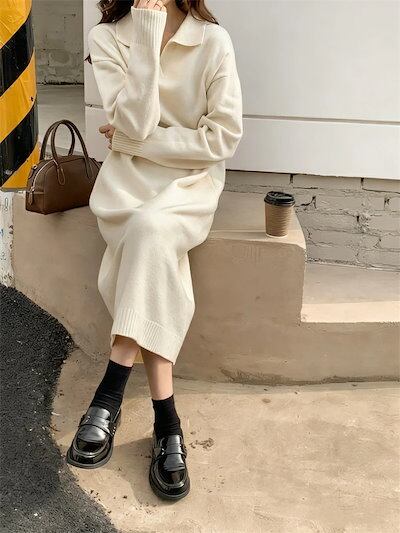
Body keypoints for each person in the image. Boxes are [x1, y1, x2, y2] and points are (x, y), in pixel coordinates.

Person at [66, 0, 243, 501]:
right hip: (126, 185)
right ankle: (167, 421)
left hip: (188, 184)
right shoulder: (108, 38)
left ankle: (111, 393)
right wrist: (145, 35)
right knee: (148, 235)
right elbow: (137, 122)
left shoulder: (212, 40)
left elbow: (222, 139)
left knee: (149, 231)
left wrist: (136, 144)